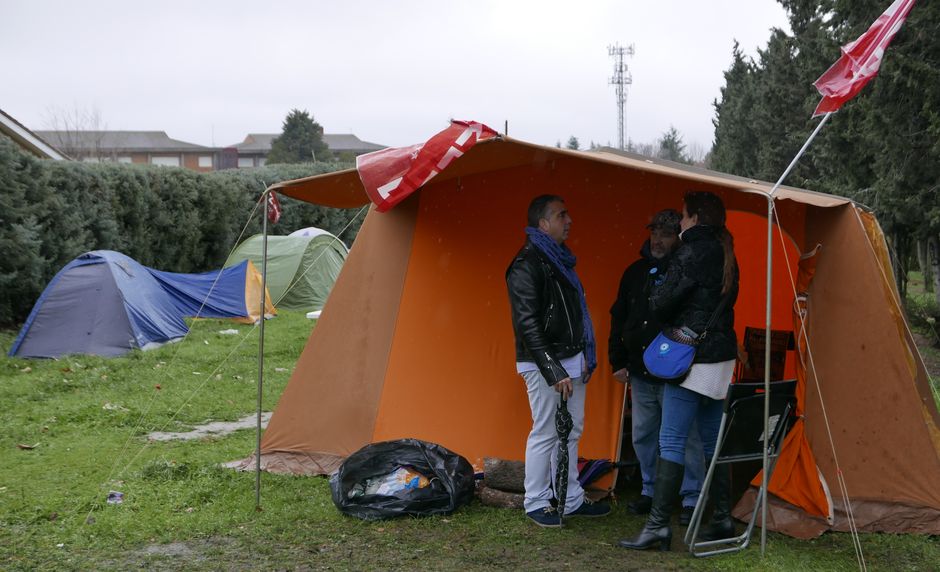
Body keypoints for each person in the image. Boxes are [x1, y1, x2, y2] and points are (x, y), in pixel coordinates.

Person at [620, 191, 739, 551]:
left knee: (670, 438)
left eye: (684, 218)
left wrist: (663, 300)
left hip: (690, 359)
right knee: (710, 441)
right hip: (720, 359)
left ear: (696, 219)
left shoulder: (691, 250)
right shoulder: (726, 251)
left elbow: (662, 302)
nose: (681, 224)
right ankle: (721, 518)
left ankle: (657, 526)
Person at [506, 194, 611, 527]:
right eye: (561, 215)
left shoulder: (558, 260)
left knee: (572, 431)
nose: (569, 221)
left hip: (570, 358)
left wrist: (579, 359)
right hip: (543, 362)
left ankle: (569, 498)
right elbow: (527, 324)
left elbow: (569, 316)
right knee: (547, 430)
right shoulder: (526, 262)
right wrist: (552, 368)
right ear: (543, 223)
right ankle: (536, 501)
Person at [608, 209, 705, 525]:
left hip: (676, 371)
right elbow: (618, 317)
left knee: (683, 436)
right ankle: (650, 491)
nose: (658, 239)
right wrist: (617, 360)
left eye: (666, 233)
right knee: (643, 435)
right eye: (655, 232)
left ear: (679, 236)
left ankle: (691, 497)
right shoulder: (633, 272)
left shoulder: (688, 272)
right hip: (638, 369)